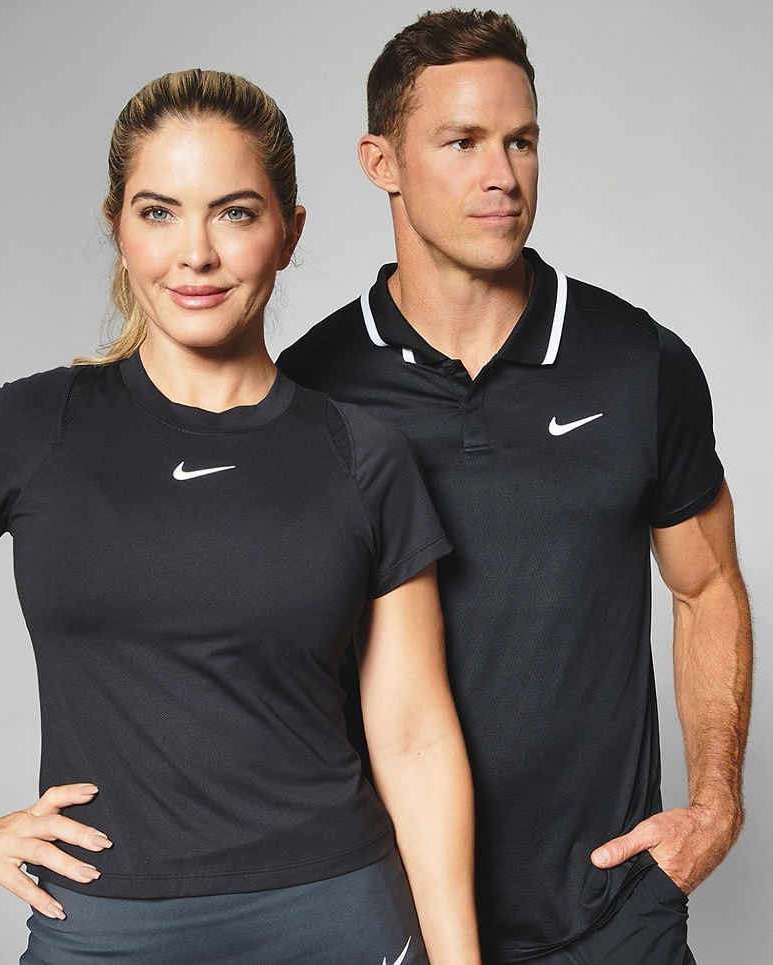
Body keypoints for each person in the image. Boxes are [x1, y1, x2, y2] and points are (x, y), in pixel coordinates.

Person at [0, 69, 480, 964]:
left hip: (337, 918)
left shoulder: (363, 453)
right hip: (106, 929)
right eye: (159, 212)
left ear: (289, 232)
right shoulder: (38, 426)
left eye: (234, 213)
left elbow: (416, 738)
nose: (195, 253)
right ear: (118, 227)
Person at [277, 10, 752, 965]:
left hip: (612, 913)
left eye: (521, 141)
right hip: (389, 916)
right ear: (382, 162)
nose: (503, 174)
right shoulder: (309, 389)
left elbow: (707, 587)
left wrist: (714, 805)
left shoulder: (638, 361)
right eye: (462, 142)